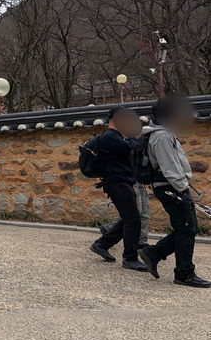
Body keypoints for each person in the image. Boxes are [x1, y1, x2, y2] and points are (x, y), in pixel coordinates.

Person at [138, 96, 210, 288]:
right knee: (187, 228)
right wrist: (183, 190)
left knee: (186, 228)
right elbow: (170, 168)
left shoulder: (161, 134)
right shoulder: (162, 136)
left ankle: (154, 253)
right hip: (171, 187)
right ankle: (184, 273)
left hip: (170, 187)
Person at [89, 107, 147, 271]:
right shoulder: (109, 137)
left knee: (129, 218)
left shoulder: (116, 136)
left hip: (123, 181)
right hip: (117, 182)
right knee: (132, 219)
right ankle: (129, 258)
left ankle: (102, 244)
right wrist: (132, 138)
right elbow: (131, 149)